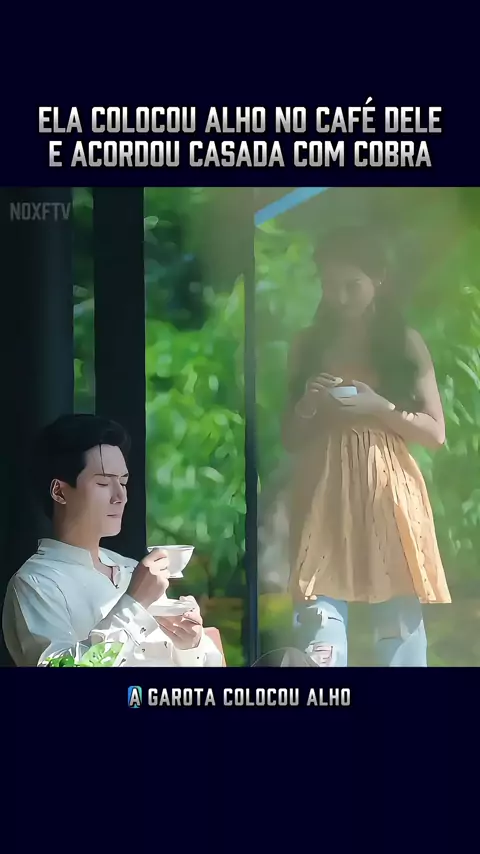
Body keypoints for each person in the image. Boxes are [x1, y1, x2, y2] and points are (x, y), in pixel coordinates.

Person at [282, 226, 451, 668]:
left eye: (351, 285)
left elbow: (435, 433)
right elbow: (290, 439)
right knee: (319, 618)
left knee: (397, 621)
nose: (339, 297)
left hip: (387, 490)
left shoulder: (403, 341)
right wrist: (307, 405)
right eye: (329, 285)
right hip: (322, 488)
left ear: (378, 279)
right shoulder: (308, 344)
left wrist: (380, 407)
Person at [2, 414, 223, 667]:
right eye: (103, 483)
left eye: (123, 482)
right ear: (60, 491)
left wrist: (191, 645)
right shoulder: (36, 583)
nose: (120, 496)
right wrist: (134, 605)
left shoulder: (132, 570)